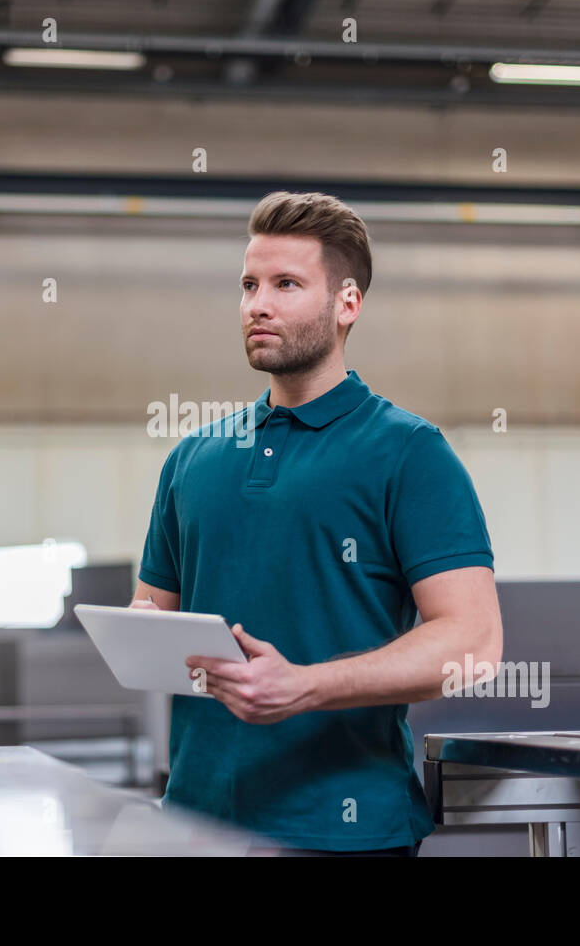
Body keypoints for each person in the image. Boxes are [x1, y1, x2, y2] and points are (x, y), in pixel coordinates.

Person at [132, 191, 503, 856]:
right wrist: (147, 636)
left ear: (347, 303)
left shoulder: (410, 453)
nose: (257, 304)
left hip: (345, 832)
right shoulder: (191, 459)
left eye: (286, 284)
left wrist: (304, 685)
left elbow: (473, 642)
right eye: (248, 285)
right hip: (194, 826)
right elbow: (152, 615)